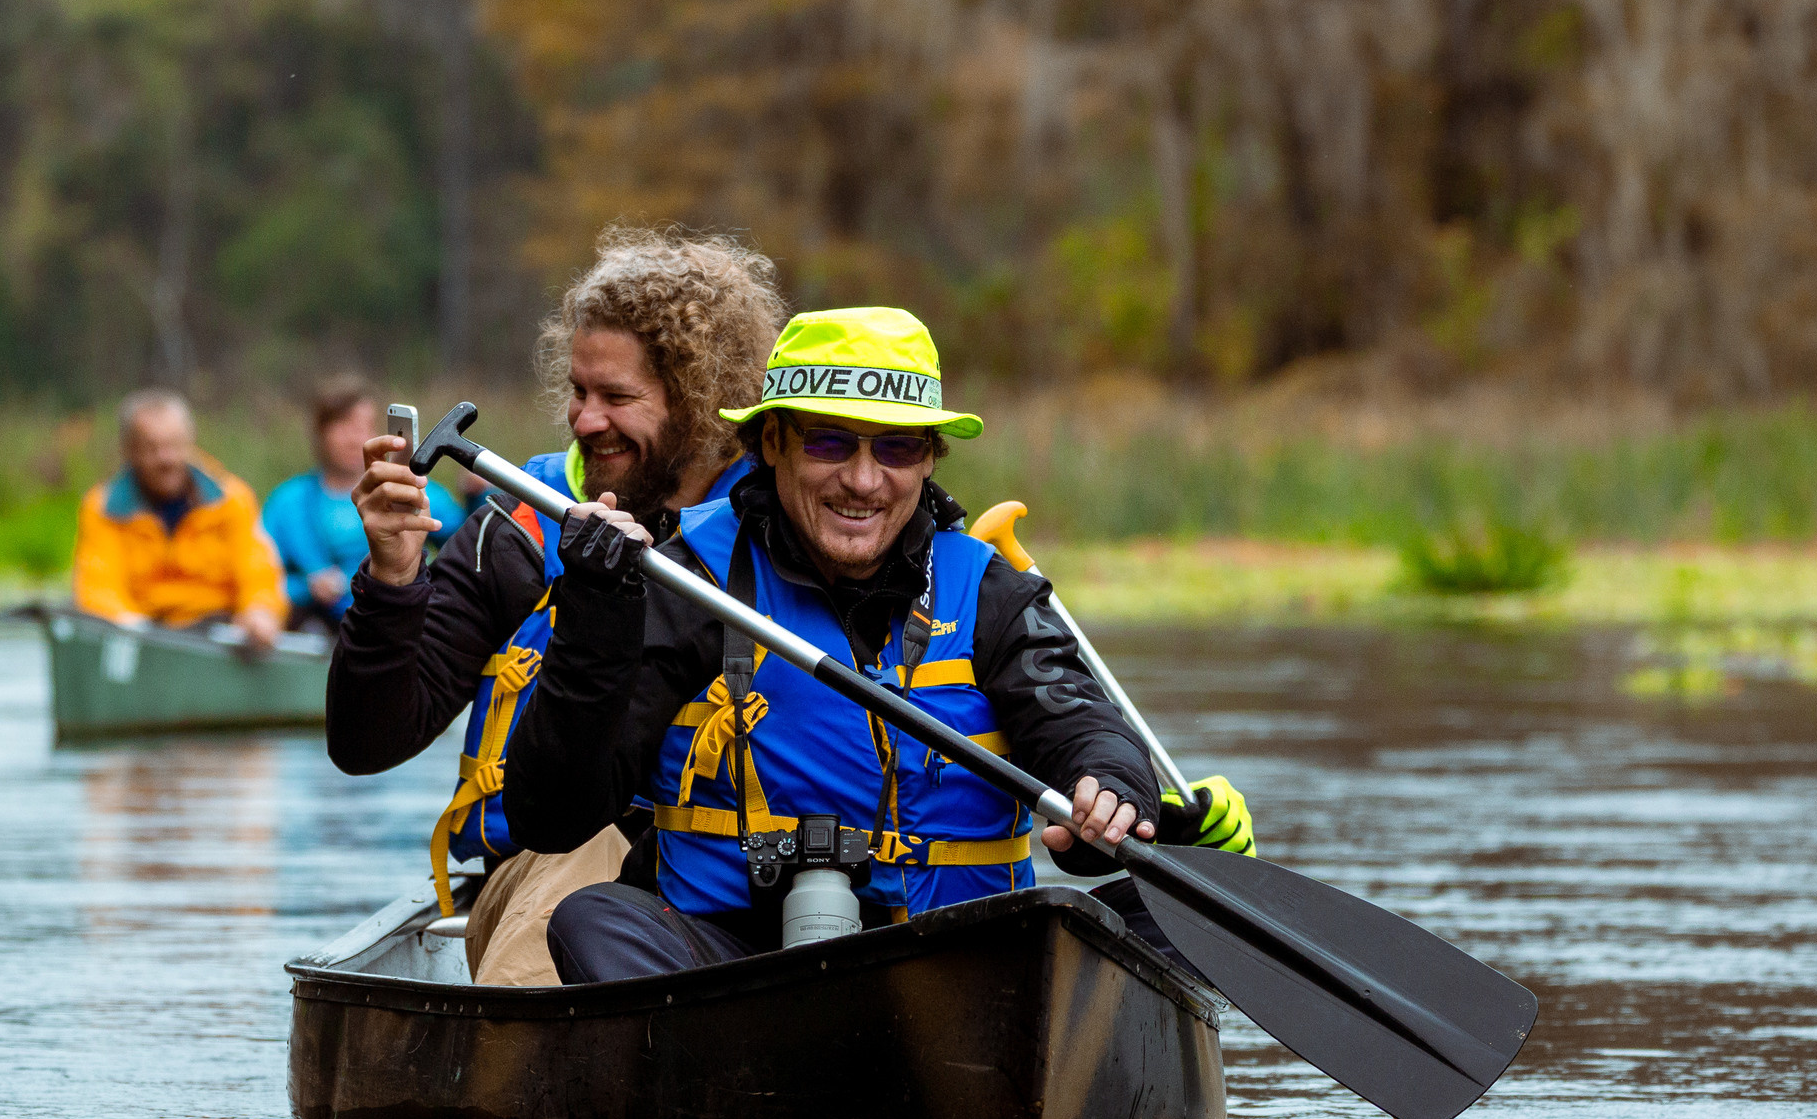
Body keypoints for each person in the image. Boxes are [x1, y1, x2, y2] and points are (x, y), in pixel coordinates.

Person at [499, 304, 1258, 985]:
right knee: (593, 918)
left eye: (894, 450)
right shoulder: (689, 581)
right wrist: (596, 625)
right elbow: (552, 815)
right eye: (830, 442)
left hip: (966, 965)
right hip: (741, 975)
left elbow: (1081, 723)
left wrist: (1115, 791)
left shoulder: (990, 592)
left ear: (928, 459)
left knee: (1210, 905)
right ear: (772, 442)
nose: (863, 481)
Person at [326, 229, 790, 984]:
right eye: (578, 391)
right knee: (590, 853)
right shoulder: (520, 529)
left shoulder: (782, 533)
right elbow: (367, 740)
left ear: (705, 401)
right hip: (551, 865)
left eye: (617, 397)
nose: (583, 420)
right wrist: (392, 576)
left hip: (732, 895)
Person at [72, 390, 285, 650]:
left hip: (220, 631)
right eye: (152, 448)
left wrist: (260, 611)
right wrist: (132, 628)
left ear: (190, 442)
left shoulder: (232, 499)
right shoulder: (102, 508)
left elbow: (258, 570)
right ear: (129, 451)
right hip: (142, 632)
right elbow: (98, 586)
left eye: (174, 445)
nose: (166, 459)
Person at [260, 376, 465, 632]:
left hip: (390, 622)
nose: (354, 438)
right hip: (314, 627)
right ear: (321, 432)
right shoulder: (289, 502)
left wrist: (476, 495)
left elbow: (467, 544)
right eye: (344, 426)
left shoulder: (408, 488)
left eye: (364, 427)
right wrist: (307, 587)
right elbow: (256, 576)